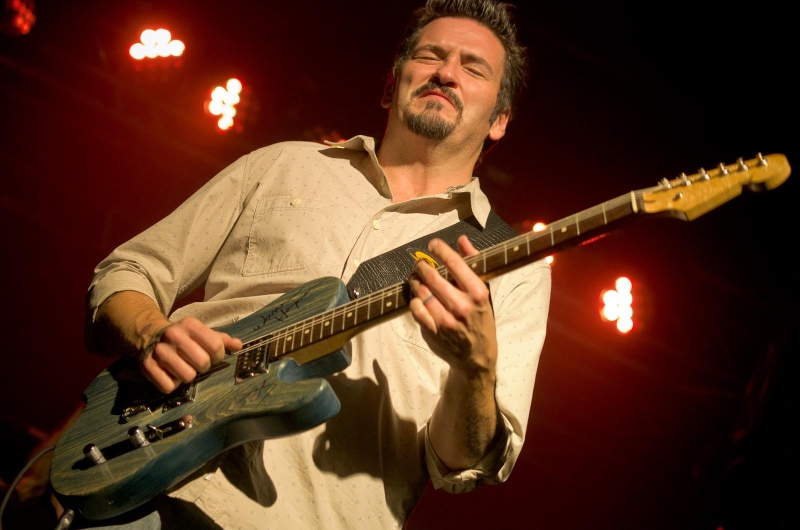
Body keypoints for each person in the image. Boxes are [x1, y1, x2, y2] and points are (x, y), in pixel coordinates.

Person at [77, 0, 551, 528]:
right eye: (430, 55)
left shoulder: (515, 269)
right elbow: (128, 271)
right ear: (390, 84)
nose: (446, 72)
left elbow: (461, 464)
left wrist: (475, 367)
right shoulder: (283, 163)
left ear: (499, 120)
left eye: (473, 68)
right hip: (144, 487)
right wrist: (151, 333)